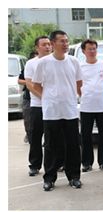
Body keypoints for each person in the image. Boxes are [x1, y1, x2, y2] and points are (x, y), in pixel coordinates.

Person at [32, 30, 82, 192]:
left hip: (70, 110)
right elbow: (36, 85)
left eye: (67, 41)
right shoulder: (43, 62)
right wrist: (48, 97)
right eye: (62, 41)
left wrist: (73, 96)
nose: (65, 44)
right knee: (51, 146)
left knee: (73, 145)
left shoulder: (74, 61)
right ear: (53, 43)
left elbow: (79, 83)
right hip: (51, 111)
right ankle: (49, 178)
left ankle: (74, 176)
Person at [79, 39, 103, 172]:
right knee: (86, 135)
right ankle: (86, 163)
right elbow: (77, 84)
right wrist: (83, 94)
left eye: (94, 49)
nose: (92, 51)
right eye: (89, 49)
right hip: (86, 105)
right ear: (83, 51)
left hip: (102, 105)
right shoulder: (80, 66)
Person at [24, 35, 52, 176]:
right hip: (37, 105)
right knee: (36, 136)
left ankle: (57, 163)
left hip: (53, 106)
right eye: (44, 44)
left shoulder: (56, 61)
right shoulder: (31, 63)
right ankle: (35, 164)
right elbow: (29, 84)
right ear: (37, 47)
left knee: (53, 137)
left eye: (49, 44)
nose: (47, 47)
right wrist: (44, 98)